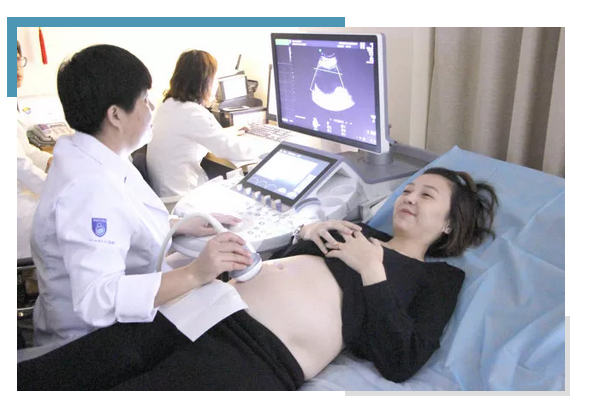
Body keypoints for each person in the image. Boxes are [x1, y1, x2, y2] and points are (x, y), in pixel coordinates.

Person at [18, 167, 498, 391]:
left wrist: (372, 270)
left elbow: (401, 360)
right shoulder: (356, 230)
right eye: (408, 189)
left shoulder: (438, 280)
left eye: (426, 195)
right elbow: (282, 265)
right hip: (207, 307)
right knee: (73, 366)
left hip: (259, 353)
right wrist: (307, 233)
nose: (409, 197)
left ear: (450, 224)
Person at [29, 44, 254, 349]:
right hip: (91, 344)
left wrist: (177, 226)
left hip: (107, 322)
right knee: (233, 305)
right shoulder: (89, 188)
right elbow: (97, 299)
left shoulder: (91, 154)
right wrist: (195, 274)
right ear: (115, 115)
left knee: (223, 296)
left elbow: (123, 223)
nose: (151, 108)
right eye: (145, 100)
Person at [146, 49, 265, 198]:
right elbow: (230, 149)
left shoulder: (168, 105)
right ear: (204, 81)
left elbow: (194, 137)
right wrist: (269, 149)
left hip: (166, 193)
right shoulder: (192, 113)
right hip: (181, 199)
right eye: (215, 79)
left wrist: (224, 133)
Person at [17, 39, 53, 259]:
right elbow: (19, 165)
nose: (16, 68)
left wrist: (50, 161)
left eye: (17, 60)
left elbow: (26, 150)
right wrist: (57, 187)